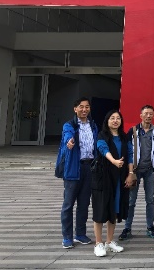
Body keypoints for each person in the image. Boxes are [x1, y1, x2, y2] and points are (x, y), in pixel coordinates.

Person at [92, 110, 133, 257]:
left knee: (114, 209)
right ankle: (98, 243)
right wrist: (114, 161)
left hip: (119, 178)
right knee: (100, 208)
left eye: (118, 118)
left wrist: (131, 173)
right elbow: (103, 149)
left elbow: (130, 155)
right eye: (112, 118)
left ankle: (109, 242)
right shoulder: (102, 135)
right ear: (107, 120)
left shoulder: (124, 137)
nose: (115, 121)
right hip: (103, 177)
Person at [58, 97, 98, 249]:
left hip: (89, 167)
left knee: (84, 203)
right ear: (75, 109)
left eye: (87, 107)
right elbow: (67, 135)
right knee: (68, 204)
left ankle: (80, 233)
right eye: (81, 107)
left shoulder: (93, 125)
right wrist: (69, 141)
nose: (84, 109)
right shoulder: (70, 125)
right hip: (74, 167)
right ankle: (67, 236)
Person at [119, 105, 154, 240]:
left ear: (153, 116)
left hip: (150, 170)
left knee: (150, 200)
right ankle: (127, 228)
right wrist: (129, 172)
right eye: (146, 113)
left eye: (151, 114)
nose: (148, 116)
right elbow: (127, 151)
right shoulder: (133, 131)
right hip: (135, 171)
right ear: (141, 116)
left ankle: (150, 227)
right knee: (131, 200)